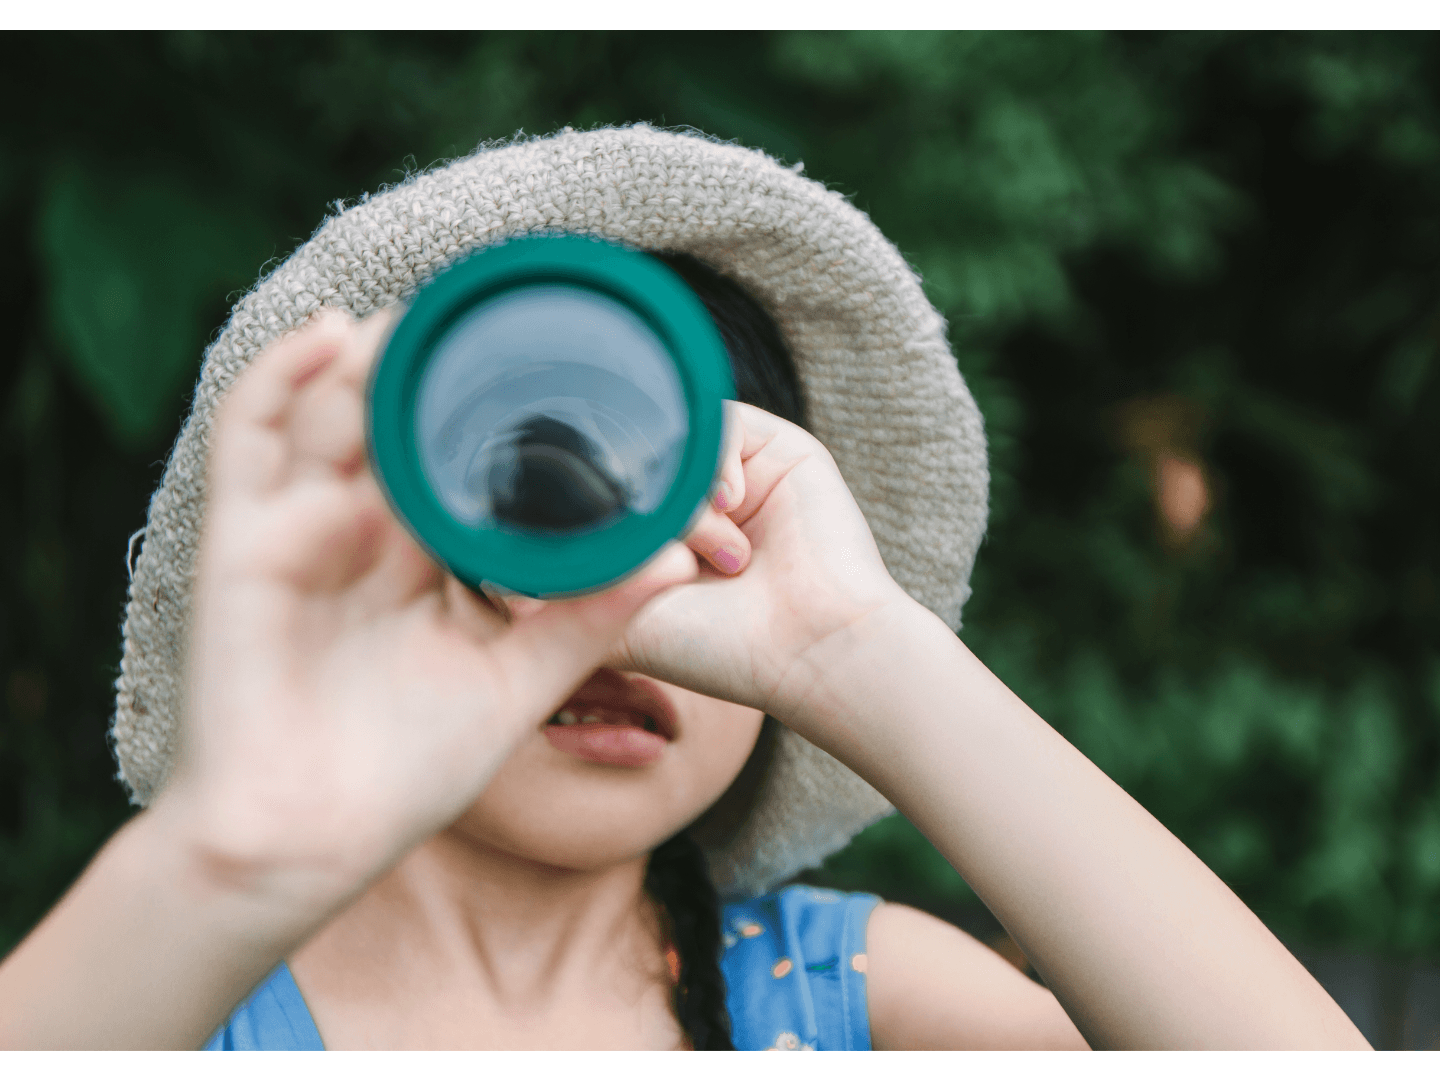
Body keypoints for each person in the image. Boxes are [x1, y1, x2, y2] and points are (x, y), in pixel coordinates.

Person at [0, 126, 1368, 1051]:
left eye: (691, 515)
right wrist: (235, 856)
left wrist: (853, 650)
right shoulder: (164, 1003)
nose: (621, 593)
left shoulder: (851, 1002)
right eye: (530, 507)